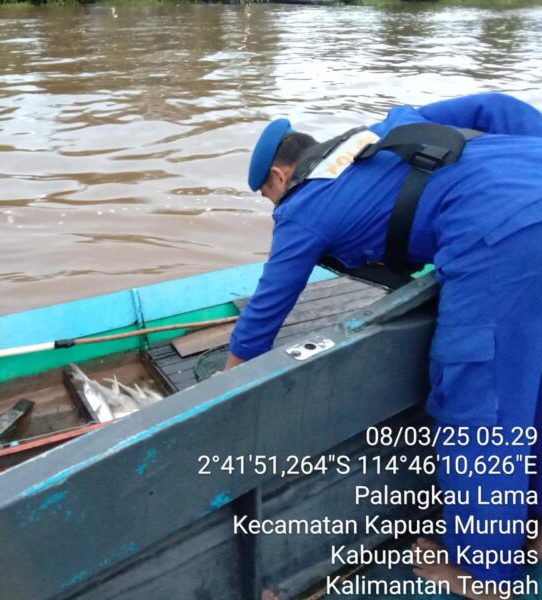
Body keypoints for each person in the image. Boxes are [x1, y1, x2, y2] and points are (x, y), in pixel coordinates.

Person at [224, 93, 542, 599]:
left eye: (269, 197)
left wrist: (231, 376)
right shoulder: (382, 130)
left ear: (280, 177)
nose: (275, 208)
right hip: (530, 174)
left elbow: (266, 310)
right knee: (531, 380)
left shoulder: (302, 206)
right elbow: (496, 107)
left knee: (478, 405)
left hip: (499, 232)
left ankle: (483, 572)